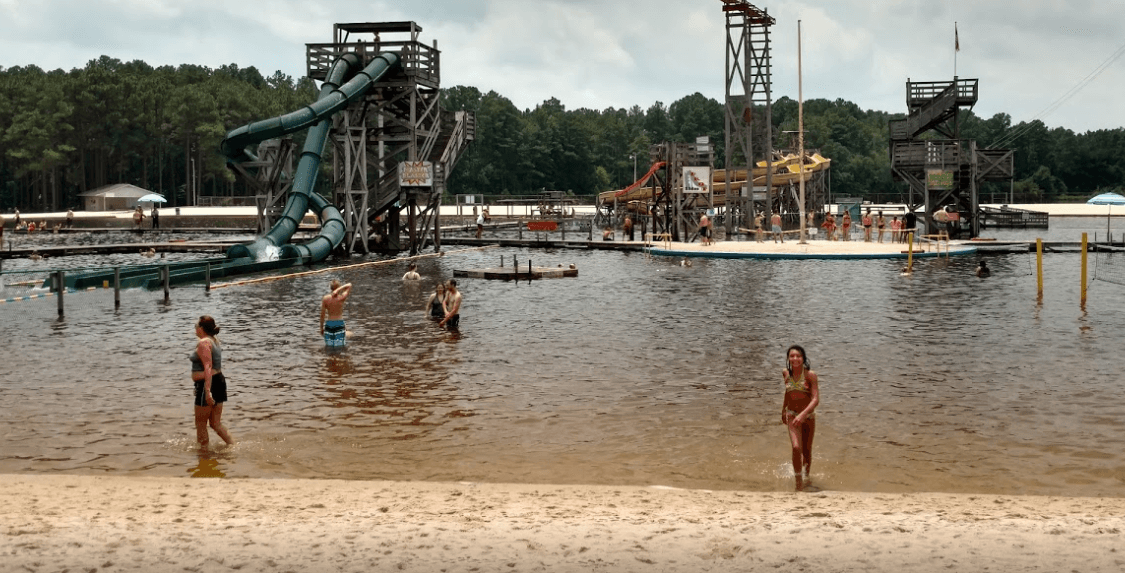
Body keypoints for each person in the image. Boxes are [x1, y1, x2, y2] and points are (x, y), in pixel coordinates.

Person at [191, 315, 235, 450]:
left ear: (202, 328)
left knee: (201, 423)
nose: (195, 329)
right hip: (218, 381)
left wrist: (207, 390)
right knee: (215, 423)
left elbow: (208, 366)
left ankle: (203, 456)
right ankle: (233, 446)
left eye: (196, 326)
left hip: (208, 384)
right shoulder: (214, 340)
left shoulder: (204, 342)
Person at [780, 344, 819, 491]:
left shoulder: (810, 375)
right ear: (788, 359)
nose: (795, 358)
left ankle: (806, 477)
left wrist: (803, 415)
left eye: (798, 356)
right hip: (792, 415)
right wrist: (783, 410)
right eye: (792, 356)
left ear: (803, 358)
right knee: (796, 447)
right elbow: (788, 393)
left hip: (808, 417)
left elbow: (815, 399)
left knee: (807, 451)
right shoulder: (786, 373)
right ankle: (798, 483)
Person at [320, 280, 353, 348]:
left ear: (330, 288)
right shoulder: (341, 297)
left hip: (329, 325)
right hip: (339, 324)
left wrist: (321, 328)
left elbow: (322, 315)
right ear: (339, 287)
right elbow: (349, 285)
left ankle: (329, 359)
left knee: (329, 348)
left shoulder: (325, 298)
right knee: (340, 348)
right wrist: (339, 289)